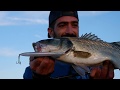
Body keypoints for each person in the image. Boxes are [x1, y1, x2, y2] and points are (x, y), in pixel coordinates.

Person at [23, 11, 114, 79]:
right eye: (62, 25)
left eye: (74, 25)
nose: (70, 31)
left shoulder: (98, 67)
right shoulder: (32, 71)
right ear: (50, 32)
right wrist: (38, 78)